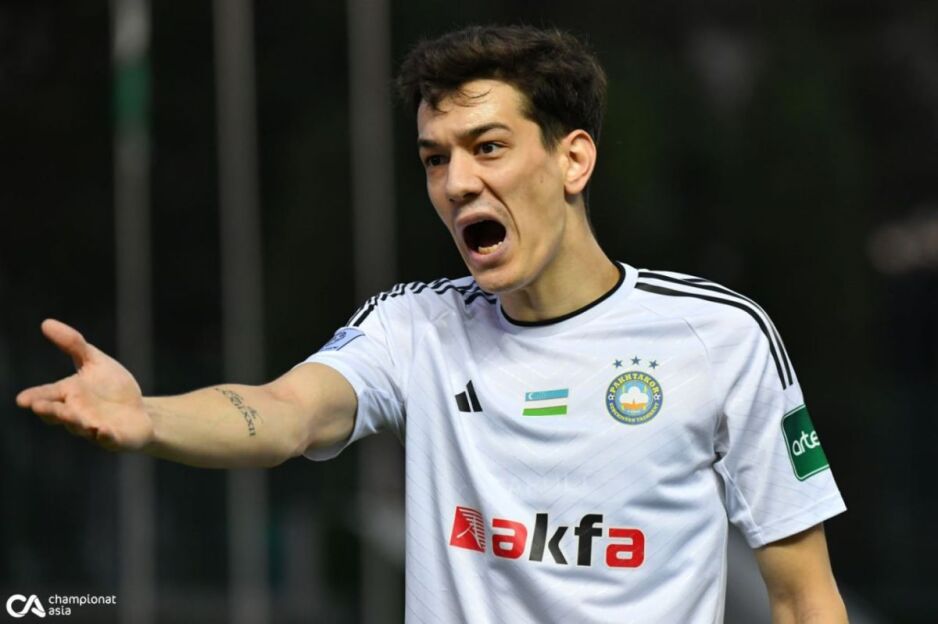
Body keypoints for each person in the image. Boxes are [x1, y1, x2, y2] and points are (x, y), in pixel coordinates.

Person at [17, 24, 847, 623]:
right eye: (434, 158)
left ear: (572, 159)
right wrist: (148, 417)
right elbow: (284, 412)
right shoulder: (414, 326)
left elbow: (805, 599)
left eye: (487, 147)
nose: (455, 183)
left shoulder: (719, 336)